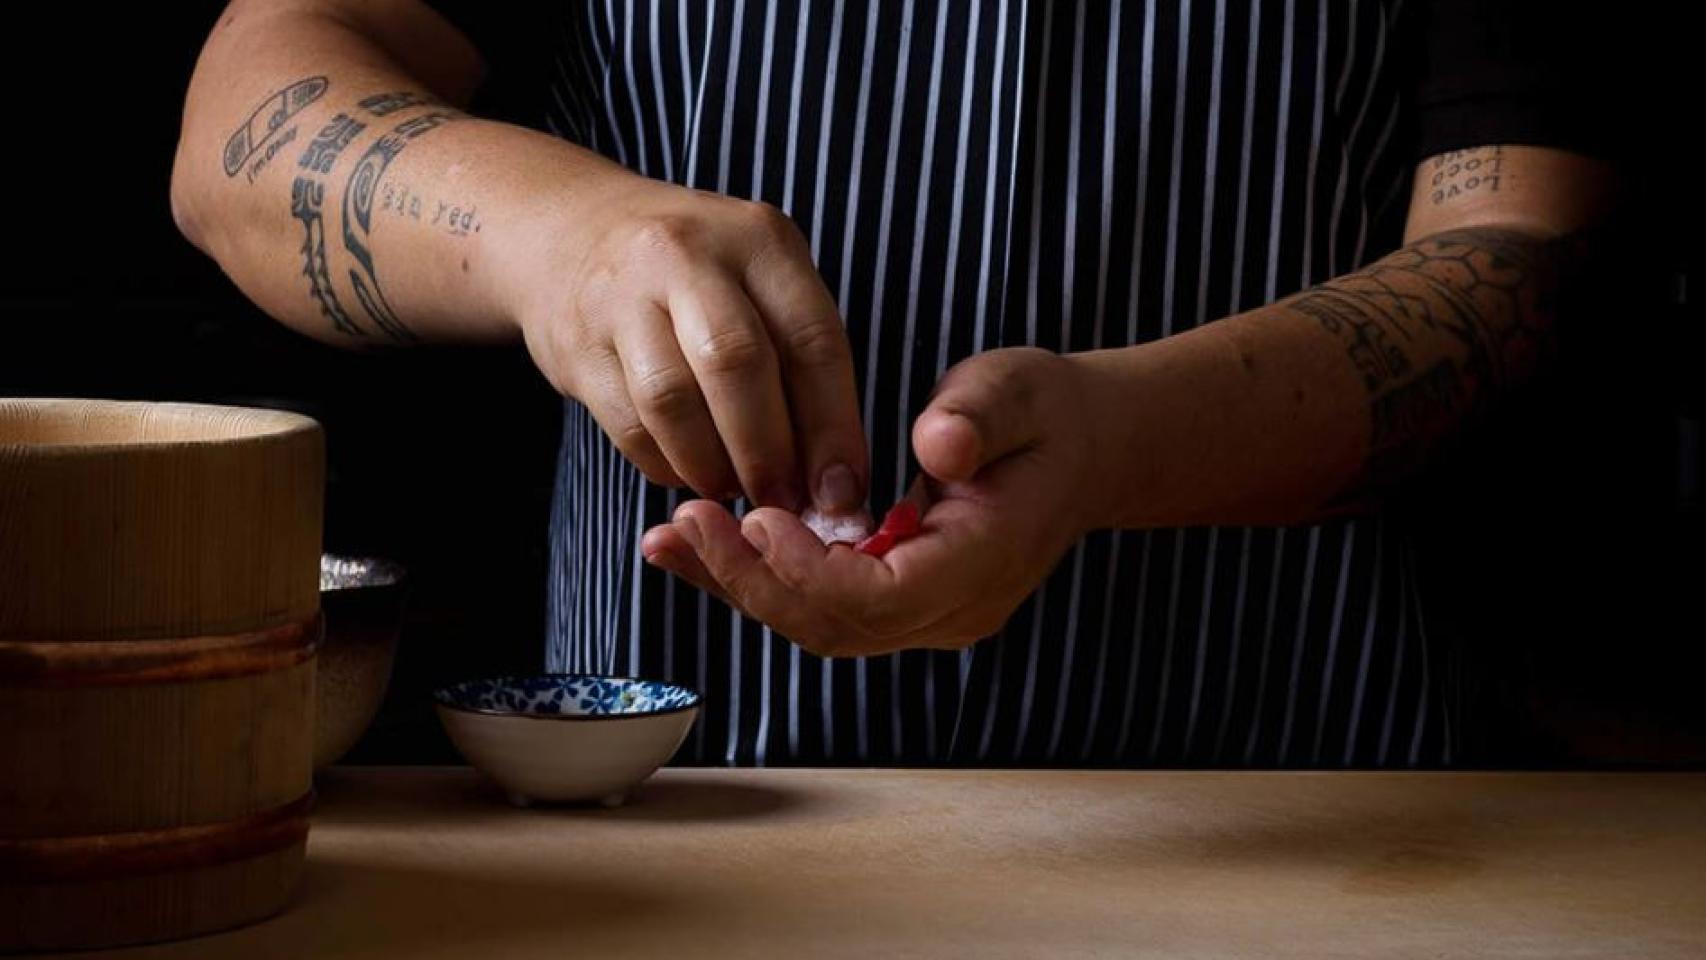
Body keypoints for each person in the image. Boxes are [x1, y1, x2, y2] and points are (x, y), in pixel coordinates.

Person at [173, 0, 1617, 767]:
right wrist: (555, 237)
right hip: (678, 850)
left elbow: (1525, 265)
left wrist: (1113, 446)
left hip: (1309, 822)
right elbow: (245, 117)